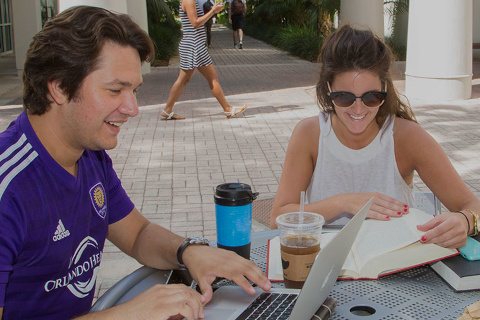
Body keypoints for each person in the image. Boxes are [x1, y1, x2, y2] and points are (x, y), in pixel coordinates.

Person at [0, 6, 271, 320]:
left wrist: (190, 251)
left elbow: (137, 233)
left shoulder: (89, 156)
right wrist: (127, 314)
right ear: (58, 86)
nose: (132, 109)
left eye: (134, 91)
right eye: (116, 90)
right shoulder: (9, 187)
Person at [270, 24, 480, 249]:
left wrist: (465, 221)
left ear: (385, 89)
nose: (358, 110)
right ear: (328, 89)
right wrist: (344, 202)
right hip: (324, 262)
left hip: (396, 261)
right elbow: (278, 218)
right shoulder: (309, 134)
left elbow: (470, 204)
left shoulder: (406, 136)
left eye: (371, 97)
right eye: (344, 97)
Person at [162, 0, 247, 120]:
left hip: (194, 45)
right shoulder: (189, 1)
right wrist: (213, 11)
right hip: (194, 45)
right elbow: (195, 23)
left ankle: (167, 110)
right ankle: (227, 109)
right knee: (212, 79)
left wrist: (213, 9)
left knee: (183, 80)